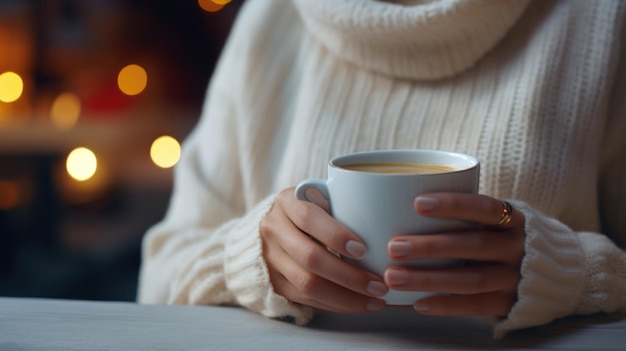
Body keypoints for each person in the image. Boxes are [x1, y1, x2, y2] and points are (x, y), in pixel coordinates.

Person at [137, 0, 626, 339]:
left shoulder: (602, 20)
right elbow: (158, 277)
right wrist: (246, 258)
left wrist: (570, 271)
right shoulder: (272, 17)